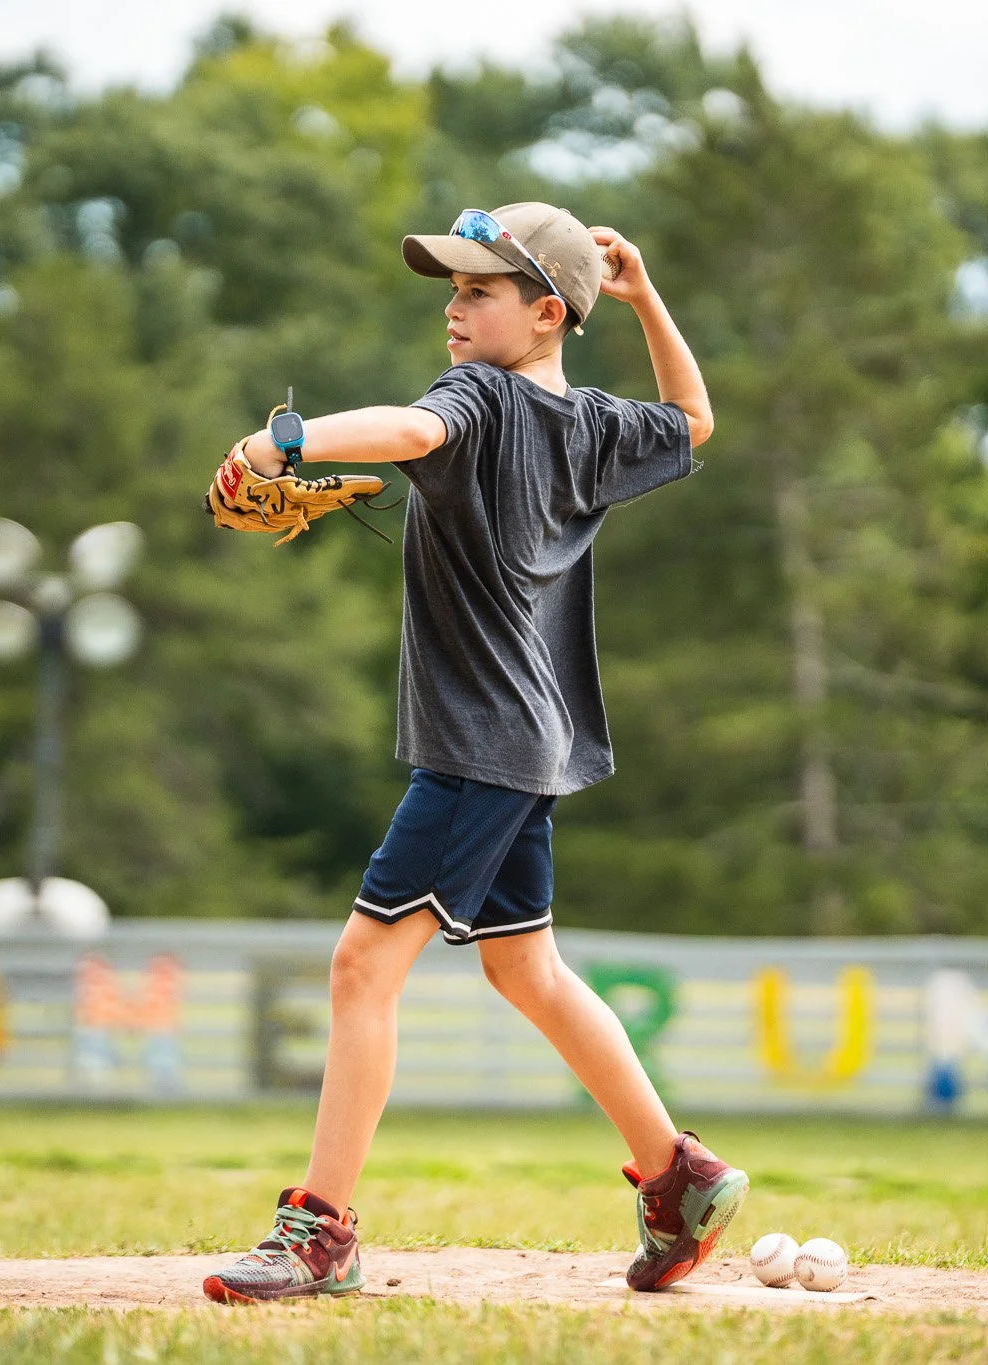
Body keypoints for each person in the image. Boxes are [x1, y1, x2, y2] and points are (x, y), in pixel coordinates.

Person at [201, 203, 747, 1303]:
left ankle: (321, 1231)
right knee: (524, 969)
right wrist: (644, 297)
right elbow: (691, 419)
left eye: (478, 293)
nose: (452, 312)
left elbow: (411, 433)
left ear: (545, 314)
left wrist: (282, 440)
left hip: (479, 745)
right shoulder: (589, 424)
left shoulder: (481, 397)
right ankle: (678, 1177)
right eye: (450, 291)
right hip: (529, 737)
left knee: (362, 968)